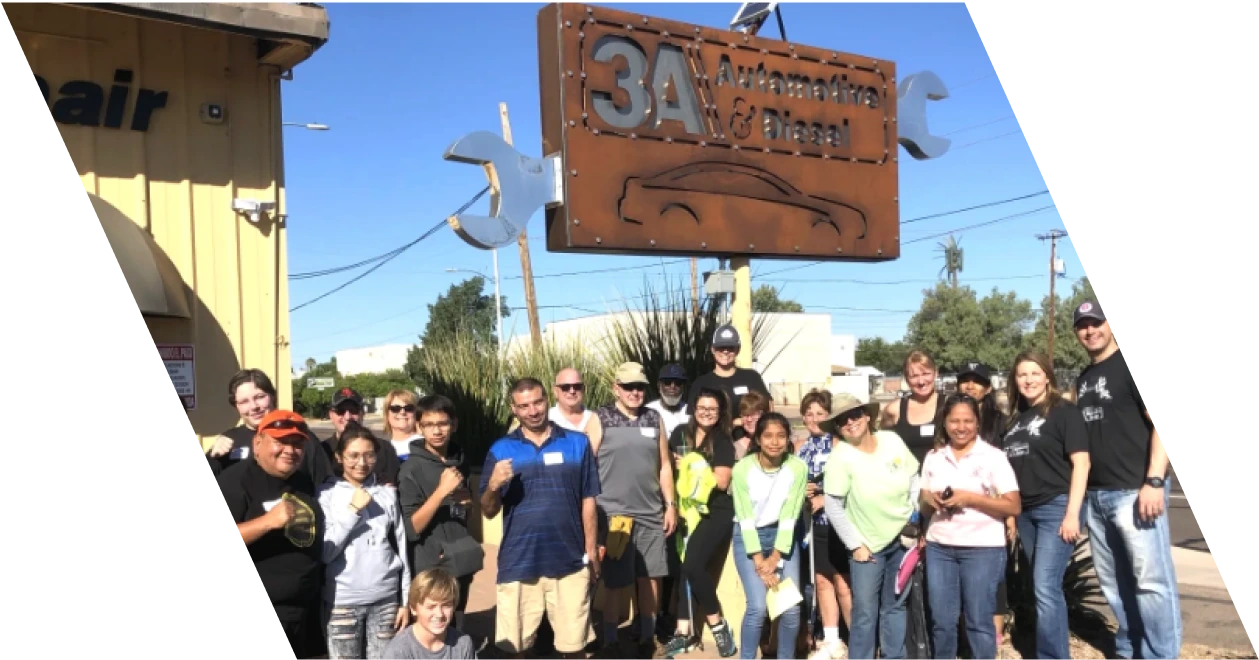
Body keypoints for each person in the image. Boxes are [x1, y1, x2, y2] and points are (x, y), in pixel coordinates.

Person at [1072, 300, 1180, 660]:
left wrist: (1153, 481)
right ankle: (1130, 649)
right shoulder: (1083, 379)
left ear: (1109, 325)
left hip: (1135, 492)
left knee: (1152, 584)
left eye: (1096, 323)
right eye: (1083, 325)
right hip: (1098, 497)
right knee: (1115, 584)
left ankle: (1160, 654)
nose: (1090, 330)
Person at [480, 378, 601, 660]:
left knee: (574, 647)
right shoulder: (500, 450)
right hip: (519, 561)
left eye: (537, 402)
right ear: (514, 409)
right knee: (516, 648)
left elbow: (588, 500)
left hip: (569, 561)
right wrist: (493, 485)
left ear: (547, 400)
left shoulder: (577, 444)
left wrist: (591, 550)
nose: (532, 411)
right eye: (524, 406)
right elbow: (487, 510)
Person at [215, 409, 326, 660]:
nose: (290, 450)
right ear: (258, 442)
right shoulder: (234, 482)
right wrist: (266, 522)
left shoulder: (302, 481)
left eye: (297, 444)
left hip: (302, 613)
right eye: (280, 441)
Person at [1002, 351, 1091, 660]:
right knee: (1042, 585)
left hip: (1057, 506)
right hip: (1026, 513)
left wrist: (1072, 514)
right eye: (1022, 374)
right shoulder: (1015, 420)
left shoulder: (1064, 411)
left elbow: (1081, 463)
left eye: (1034, 373)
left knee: (1045, 585)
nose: (1028, 379)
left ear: (1047, 376)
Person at [919, 395, 1022, 660]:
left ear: (977, 423)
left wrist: (970, 498)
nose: (961, 427)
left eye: (967, 421)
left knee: (979, 621)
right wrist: (930, 500)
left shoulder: (993, 457)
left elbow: (1013, 506)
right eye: (954, 421)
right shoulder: (934, 457)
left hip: (982, 549)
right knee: (942, 621)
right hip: (940, 547)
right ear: (944, 422)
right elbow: (923, 502)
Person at [820, 393, 921, 660]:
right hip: (868, 548)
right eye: (842, 420)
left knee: (895, 606)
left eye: (855, 415)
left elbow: (913, 478)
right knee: (865, 612)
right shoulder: (840, 457)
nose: (850, 422)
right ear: (837, 428)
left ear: (867, 415)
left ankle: (894, 657)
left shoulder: (892, 440)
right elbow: (833, 507)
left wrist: (914, 518)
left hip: (902, 541)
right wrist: (856, 545)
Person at [588, 362, 677, 657]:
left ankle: (648, 638)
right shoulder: (601, 418)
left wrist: (671, 505)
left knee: (650, 578)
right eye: (628, 387)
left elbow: (664, 465)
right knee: (614, 583)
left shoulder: (654, 419)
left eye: (639, 386)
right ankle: (611, 641)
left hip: (651, 513)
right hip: (614, 517)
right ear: (616, 388)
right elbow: (586, 466)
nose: (634, 392)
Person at [319, 422, 412, 660]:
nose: (361, 463)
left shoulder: (388, 494)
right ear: (339, 457)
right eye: (353, 455)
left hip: (386, 600)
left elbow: (401, 546)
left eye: (369, 455)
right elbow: (326, 553)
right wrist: (352, 510)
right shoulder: (325, 495)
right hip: (343, 603)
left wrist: (405, 599)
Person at [660, 387, 739, 658]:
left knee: (693, 565)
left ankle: (718, 626)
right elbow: (667, 464)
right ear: (694, 407)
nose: (707, 413)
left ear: (720, 413)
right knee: (685, 568)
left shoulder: (723, 440)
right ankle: (684, 633)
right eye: (702, 407)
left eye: (713, 409)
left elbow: (721, 480)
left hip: (715, 512)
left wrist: (693, 464)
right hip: (684, 510)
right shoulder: (681, 432)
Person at [397, 395, 483, 632]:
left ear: (453, 425)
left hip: (462, 561)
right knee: (433, 634)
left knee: (456, 630)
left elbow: (464, 515)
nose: (436, 431)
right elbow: (411, 528)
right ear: (418, 427)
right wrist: (441, 492)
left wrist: (467, 504)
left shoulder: (460, 461)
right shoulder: (410, 470)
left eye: (442, 423)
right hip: (433, 568)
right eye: (428, 425)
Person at [730, 412, 809, 660]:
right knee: (758, 607)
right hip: (748, 537)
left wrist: (775, 557)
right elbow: (744, 517)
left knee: (791, 608)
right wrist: (759, 562)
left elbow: (790, 514)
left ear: (788, 439)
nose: (774, 442)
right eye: (768, 436)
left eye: (781, 436)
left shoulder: (797, 467)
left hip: (782, 539)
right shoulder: (742, 469)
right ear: (758, 439)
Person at [956, 361, 1012, 647]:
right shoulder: (951, 419)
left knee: (993, 575)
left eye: (977, 381)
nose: (970, 385)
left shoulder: (1000, 422)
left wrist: (1009, 514)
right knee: (963, 573)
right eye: (965, 380)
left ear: (987, 387)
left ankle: (994, 635)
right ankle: (968, 635)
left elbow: (1009, 471)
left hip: (993, 509)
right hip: (958, 512)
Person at [796, 389, 854, 660]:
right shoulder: (802, 448)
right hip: (814, 525)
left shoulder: (841, 445)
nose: (814, 418)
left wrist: (823, 496)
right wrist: (803, 493)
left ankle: (859, 640)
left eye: (820, 413)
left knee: (843, 583)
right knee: (822, 580)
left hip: (839, 524)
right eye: (809, 414)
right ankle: (832, 640)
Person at [206, 369, 333, 485]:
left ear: (273, 397)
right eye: (244, 401)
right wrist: (212, 460)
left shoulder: (300, 436)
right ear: (236, 406)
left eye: (260, 397)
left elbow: (326, 485)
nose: (254, 406)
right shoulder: (228, 441)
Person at [383, 569, 478, 660]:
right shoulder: (399, 651)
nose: (439, 614)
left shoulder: (463, 644)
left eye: (446, 605)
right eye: (431, 607)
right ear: (413, 608)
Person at [322, 387, 402, 485]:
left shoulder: (384, 449)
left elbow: (392, 487)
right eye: (341, 411)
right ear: (331, 414)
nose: (347, 417)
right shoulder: (322, 451)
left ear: (362, 413)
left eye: (353, 410)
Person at [689, 324, 772, 414]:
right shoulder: (701, 383)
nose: (725, 351)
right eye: (721, 347)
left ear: (738, 349)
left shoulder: (752, 378)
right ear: (712, 349)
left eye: (730, 347)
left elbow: (768, 408)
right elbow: (693, 417)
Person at [880, 351, 942, 466]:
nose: (921, 381)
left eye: (926, 374)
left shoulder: (950, 406)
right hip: (907, 480)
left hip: (940, 480)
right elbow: (882, 444)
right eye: (914, 376)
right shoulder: (894, 409)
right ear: (907, 379)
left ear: (936, 373)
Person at [647, 363, 691, 437]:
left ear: (684, 387)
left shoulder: (690, 412)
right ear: (659, 385)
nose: (672, 387)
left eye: (678, 383)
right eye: (667, 382)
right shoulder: (648, 411)